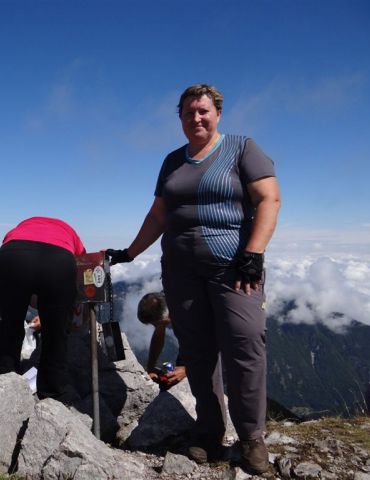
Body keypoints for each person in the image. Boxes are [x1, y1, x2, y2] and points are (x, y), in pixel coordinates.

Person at [107, 84, 280, 474]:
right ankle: (209, 430)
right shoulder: (172, 161)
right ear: (181, 118)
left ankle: (252, 439)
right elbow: (158, 215)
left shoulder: (241, 148)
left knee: (245, 346)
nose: (196, 118)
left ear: (218, 113)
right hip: (182, 272)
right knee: (198, 355)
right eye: (188, 113)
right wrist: (130, 252)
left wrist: (253, 253)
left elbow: (269, 199)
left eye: (203, 111)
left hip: (234, 269)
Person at [0, 216, 86, 405]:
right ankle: (52, 394)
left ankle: (3, 381)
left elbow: (25, 279)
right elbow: (82, 267)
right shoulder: (69, 233)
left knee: (11, 324)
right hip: (59, 262)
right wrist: (61, 314)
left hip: (11, 257)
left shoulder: (18, 230)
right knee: (55, 334)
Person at [136, 292, 186, 389]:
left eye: (159, 323)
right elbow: (159, 333)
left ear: (170, 313)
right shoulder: (163, 303)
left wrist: (186, 369)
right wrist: (150, 368)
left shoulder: (190, 312)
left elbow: (211, 342)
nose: (156, 327)